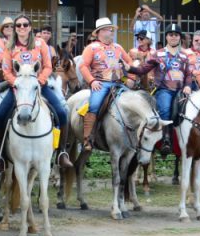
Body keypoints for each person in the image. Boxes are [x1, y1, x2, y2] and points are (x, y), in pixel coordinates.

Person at [0, 14, 73, 169]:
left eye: (25, 25)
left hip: (39, 86)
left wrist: (39, 81)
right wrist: (15, 82)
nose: (22, 28)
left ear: (30, 27)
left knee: (62, 112)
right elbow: (6, 71)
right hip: (18, 88)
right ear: (15, 29)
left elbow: (48, 66)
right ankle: (1, 157)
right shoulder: (9, 47)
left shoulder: (40, 43)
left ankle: (62, 153)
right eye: (18, 25)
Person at [127, 24, 193, 155]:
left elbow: (189, 74)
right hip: (164, 90)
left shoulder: (185, 56)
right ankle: (166, 140)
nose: (173, 37)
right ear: (166, 37)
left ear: (180, 37)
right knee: (165, 109)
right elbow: (143, 69)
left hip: (181, 90)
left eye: (176, 35)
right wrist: (129, 68)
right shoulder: (158, 54)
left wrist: (188, 86)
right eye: (170, 34)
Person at [78, 17, 135, 150]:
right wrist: (92, 81)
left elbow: (130, 63)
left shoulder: (118, 47)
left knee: (132, 103)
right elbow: (83, 66)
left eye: (111, 29)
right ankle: (88, 139)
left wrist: (131, 78)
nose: (111, 32)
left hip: (119, 83)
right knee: (94, 105)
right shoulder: (91, 48)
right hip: (101, 84)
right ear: (99, 32)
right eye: (108, 30)